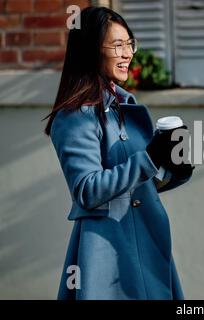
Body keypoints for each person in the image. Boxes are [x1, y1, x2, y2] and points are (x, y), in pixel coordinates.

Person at [44, 6, 193, 299]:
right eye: (117, 45)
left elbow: (138, 183)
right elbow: (87, 190)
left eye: (130, 44)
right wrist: (150, 157)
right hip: (107, 254)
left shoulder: (125, 106)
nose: (128, 54)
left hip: (148, 244)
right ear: (90, 50)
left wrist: (174, 167)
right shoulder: (75, 115)